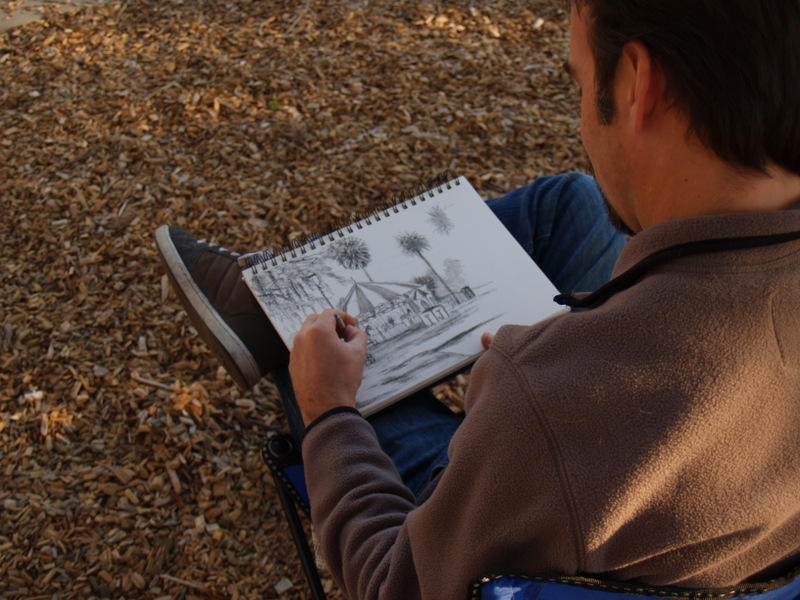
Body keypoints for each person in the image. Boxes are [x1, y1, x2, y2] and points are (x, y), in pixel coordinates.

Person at [155, 0, 800, 598]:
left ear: (637, 85)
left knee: (317, 358)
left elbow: (393, 583)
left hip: (537, 495)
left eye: (578, 82)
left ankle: (274, 315)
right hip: (710, 477)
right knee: (574, 207)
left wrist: (326, 415)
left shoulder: (536, 406)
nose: (580, 117)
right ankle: (275, 301)